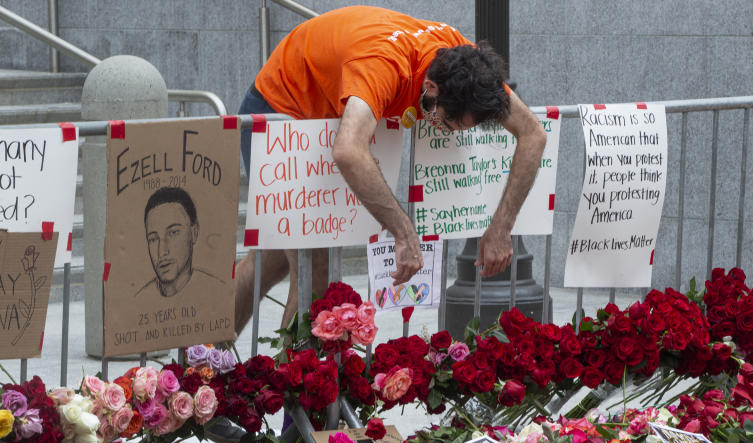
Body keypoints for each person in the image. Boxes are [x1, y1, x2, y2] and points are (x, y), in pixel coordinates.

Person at [235, 5, 547, 334]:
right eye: (450, 124)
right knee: (314, 263)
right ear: (431, 89)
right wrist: (403, 232)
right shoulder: (382, 65)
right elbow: (348, 149)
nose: (452, 133)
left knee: (270, 263)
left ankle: (205, 361)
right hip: (280, 111)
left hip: (325, 109)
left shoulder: (459, 56)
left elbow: (534, 134)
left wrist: (501, 228)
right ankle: (291, 382)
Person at [136, 186, 225, 299]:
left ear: (194, 233)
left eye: (173, 233)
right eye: (153, 239)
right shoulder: (139, 301)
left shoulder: (217, 293)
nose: (162, 251)